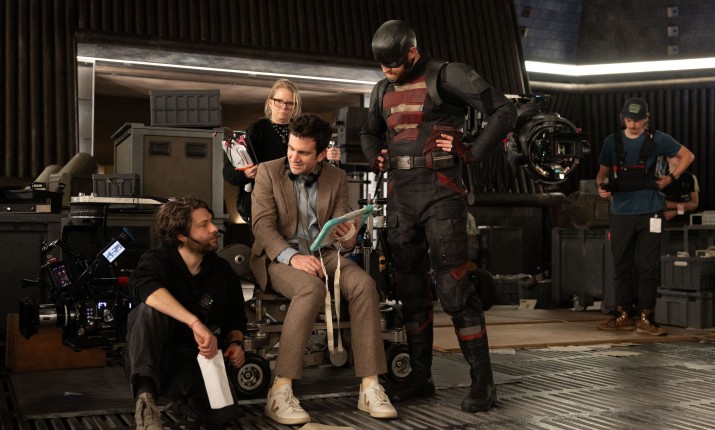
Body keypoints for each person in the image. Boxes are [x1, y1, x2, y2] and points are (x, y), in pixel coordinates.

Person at [360, 20, 517, 412]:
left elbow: (504, 110)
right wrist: (375, 155)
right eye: (381, 65)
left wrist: (472, 150)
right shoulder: (381, 89)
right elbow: (368, 133)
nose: (387, 71)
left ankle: (483, 383)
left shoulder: (448, 75)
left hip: (441, 193)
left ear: (412, 53)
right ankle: (420, 377)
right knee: (410, 291)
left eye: (393, 64)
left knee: (455, 289)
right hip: (400, 196)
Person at [250, 113, 397, 425]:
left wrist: (349, 236)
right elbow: (262, 227)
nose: (294, 157)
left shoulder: (336, 177)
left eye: (303, 153)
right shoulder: (267, 172)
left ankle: (370, 386)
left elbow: (342, 236)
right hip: (279, 258)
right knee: (310, 287)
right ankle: (280, 390)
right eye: (291, 149)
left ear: (320, 155)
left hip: (323, 252)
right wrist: (293, 257)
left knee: (365, 285)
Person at [122, 196, 248, 429]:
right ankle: (145, 403)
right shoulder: (157, 260)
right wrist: (195, 323)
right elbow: (145, 288)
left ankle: (179, 400)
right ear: (181, 235)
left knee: (224, 414)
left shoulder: (221, 271)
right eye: (204, 225)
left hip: (194, 357)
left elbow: (236, 317)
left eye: (211, 221)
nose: (214, 229)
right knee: (147, 312)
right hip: (156, 355)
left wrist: (236, 343)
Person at [596, 97, 694, 335]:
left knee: (648, 267)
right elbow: (602, 173)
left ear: (646, 119)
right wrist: (601, 187)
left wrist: (670, 178)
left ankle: (646, 316)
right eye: (629, 120)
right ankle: (624, 314)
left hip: (651, 212)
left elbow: (688, 156)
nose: (632, 125)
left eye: (637, 120)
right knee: (621, 265)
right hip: (621, 213)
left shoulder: (658, 139)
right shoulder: (612, 141)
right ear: (623, 118)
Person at [223, 78, 340, 229]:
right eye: (279, 101)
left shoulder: (303, 129)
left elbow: (320, 168)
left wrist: (332, 159)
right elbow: (229, 172)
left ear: (295, 107)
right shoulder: (257, 130)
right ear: (270, 103)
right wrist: (246, 174)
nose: (284, 106)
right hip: (266, 207)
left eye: (290, 103)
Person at [662, 159, 699, 226]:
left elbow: (694, 205)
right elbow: (663, 203)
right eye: (676, 157)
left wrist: (676, 212)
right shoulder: (662, 178)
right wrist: (686, 205)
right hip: (665, 221)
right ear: (668, 159)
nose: (679, 160)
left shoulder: (690, 177)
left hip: (686, 222)